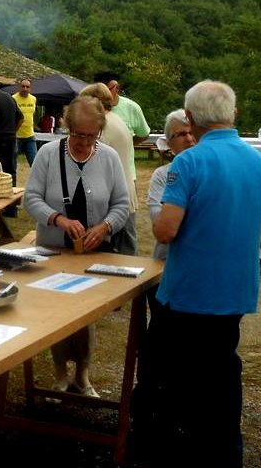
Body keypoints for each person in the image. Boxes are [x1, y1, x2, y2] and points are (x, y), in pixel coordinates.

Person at [135, 80, 261, 468]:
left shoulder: (189, 163)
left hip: (191, 289)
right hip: (236, 287)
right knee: (223, 371)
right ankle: (223, 456)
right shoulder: (256, 161)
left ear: (191, 119)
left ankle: (181, 457)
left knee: (181, 375)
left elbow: (165, 230)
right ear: (234, 114)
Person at [24, 95, 129, 398]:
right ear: (67, 127)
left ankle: (83, 376)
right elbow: (31, 198)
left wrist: (105, 226)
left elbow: (122, 204)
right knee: (57, 311)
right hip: (54, 251)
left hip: (94, 254)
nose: (83, 142)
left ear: (100, 131)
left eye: (91, 135)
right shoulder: (47, 154)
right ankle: (60, 374)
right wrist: (57, 219)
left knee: (86, 314)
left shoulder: (109, 157)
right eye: (77, 134)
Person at [80, 82, 138, 255]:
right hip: (126, 193)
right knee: (127, 251)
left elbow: (94, 166)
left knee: (119, 257)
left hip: (115, 201)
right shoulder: (117, 120)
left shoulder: (102, 127)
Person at [146, 109, 196, 260]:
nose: (189, 139)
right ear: (169, 143)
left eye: (192, 132)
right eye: (181, 134)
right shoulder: (162, 176)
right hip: (168, 259)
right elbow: (160, 223)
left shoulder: (212, 171)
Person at [13, 77, 37, 167]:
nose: (25, 89)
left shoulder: (33, 99)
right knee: (12, 162)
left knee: (34, 162)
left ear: (30, 88)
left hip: (30, 135)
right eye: (23, 86)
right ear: (19, 87)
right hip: (16, 136)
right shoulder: (13, 98)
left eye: (27, 87)